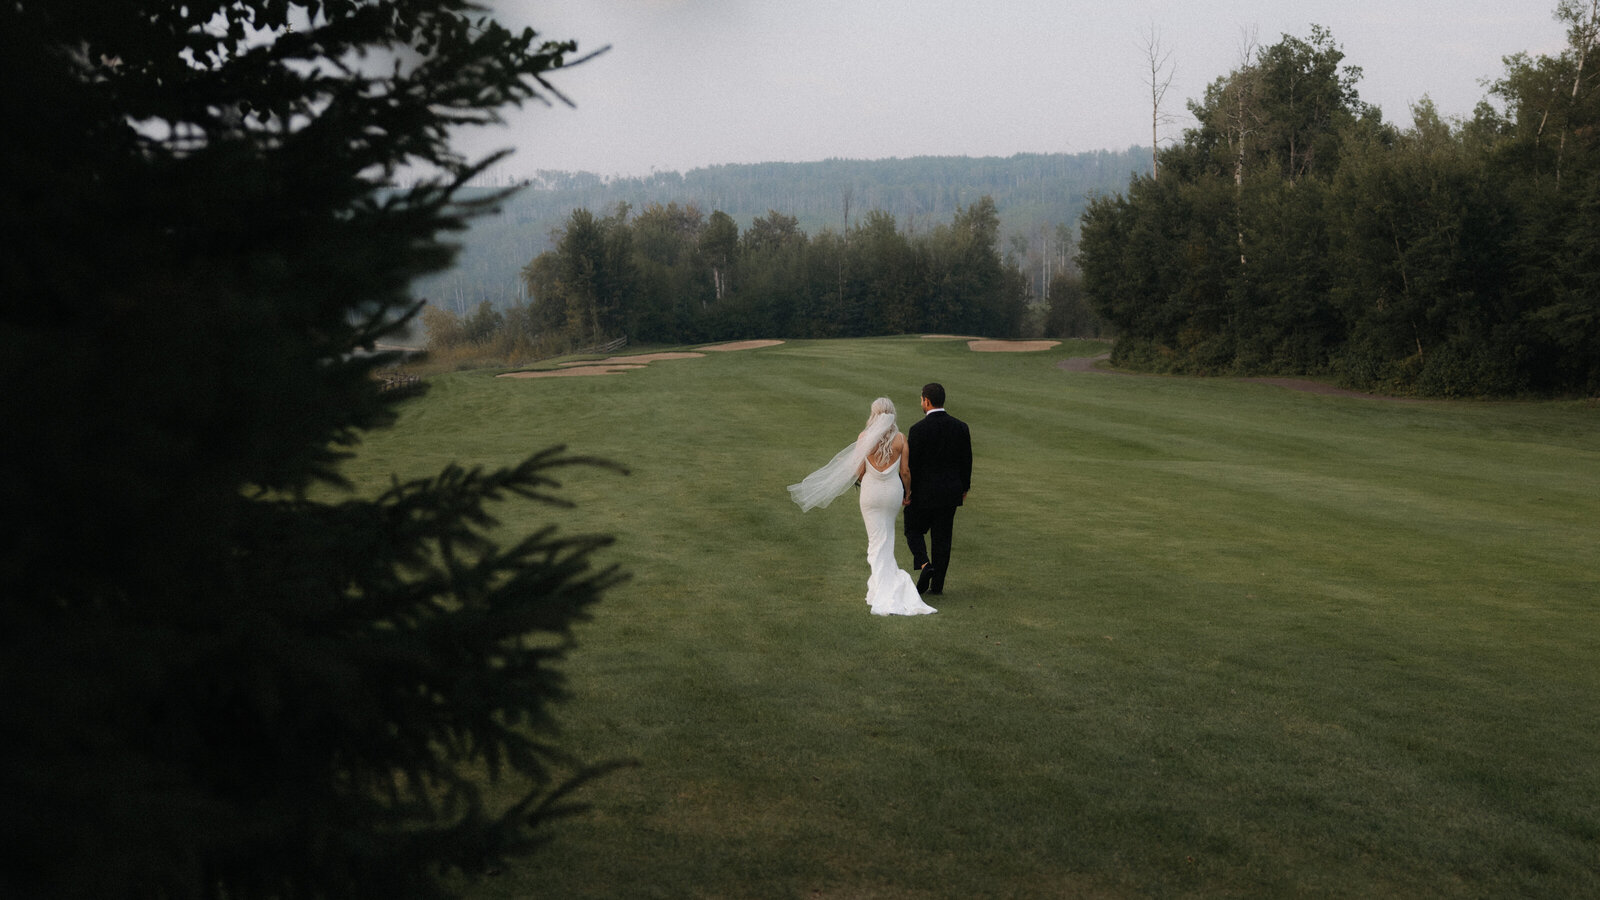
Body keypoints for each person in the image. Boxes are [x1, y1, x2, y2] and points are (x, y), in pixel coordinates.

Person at [788, 398, 937, 616]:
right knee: (887, 537)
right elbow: (905, 472)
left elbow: (859, 470)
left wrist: (865, 477)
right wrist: (908, 493)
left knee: (876, 541)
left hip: (871, 492)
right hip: (893, 492)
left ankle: (882, 591)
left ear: (874, 415)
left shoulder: (864, 437)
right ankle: (884, 585)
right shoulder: (900, 438)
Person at [904, 382, 971, 595]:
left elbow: (912, 465)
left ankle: (925, 563)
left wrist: (908, 492)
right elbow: (966, 461)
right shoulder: (960, 427)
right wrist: (964, 487)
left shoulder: (917, 430)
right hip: (950, 492)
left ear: (927, 401)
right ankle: (937, 586)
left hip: (923, 493)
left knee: (912, 529)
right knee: (942, 538)